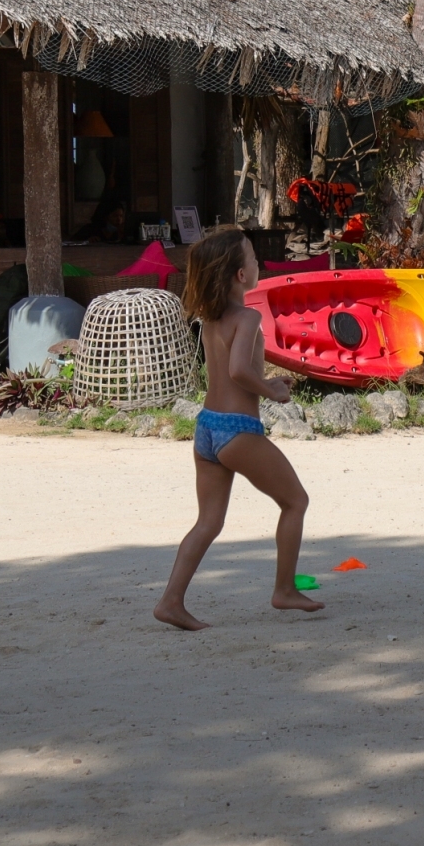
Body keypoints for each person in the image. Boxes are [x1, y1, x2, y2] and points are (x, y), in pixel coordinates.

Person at [153, 226, 324, 628]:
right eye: (253, 257)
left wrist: (267, 382)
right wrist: (271, 390)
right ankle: (284, 589)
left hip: (207, 428)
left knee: (208, 522)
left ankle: (170, 602)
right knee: (295, 502)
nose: (258, 263)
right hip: (237, 429)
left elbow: (229, 371)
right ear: (241, 276)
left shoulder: (212, 318)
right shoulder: (247, 316)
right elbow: (239, 371)